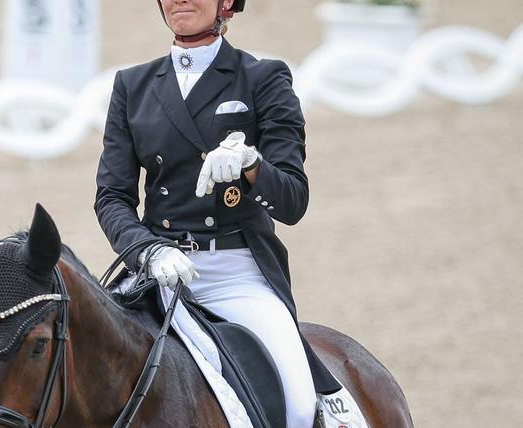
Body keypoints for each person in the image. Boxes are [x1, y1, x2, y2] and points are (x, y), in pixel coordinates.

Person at [94, 1, 344, 427]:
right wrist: (147, 251)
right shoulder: (132, 86)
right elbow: (112, 197)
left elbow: (293, 201)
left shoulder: (262, 78)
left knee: (299, 406)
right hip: (158, 273)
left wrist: (251, 165)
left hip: (236, 275)